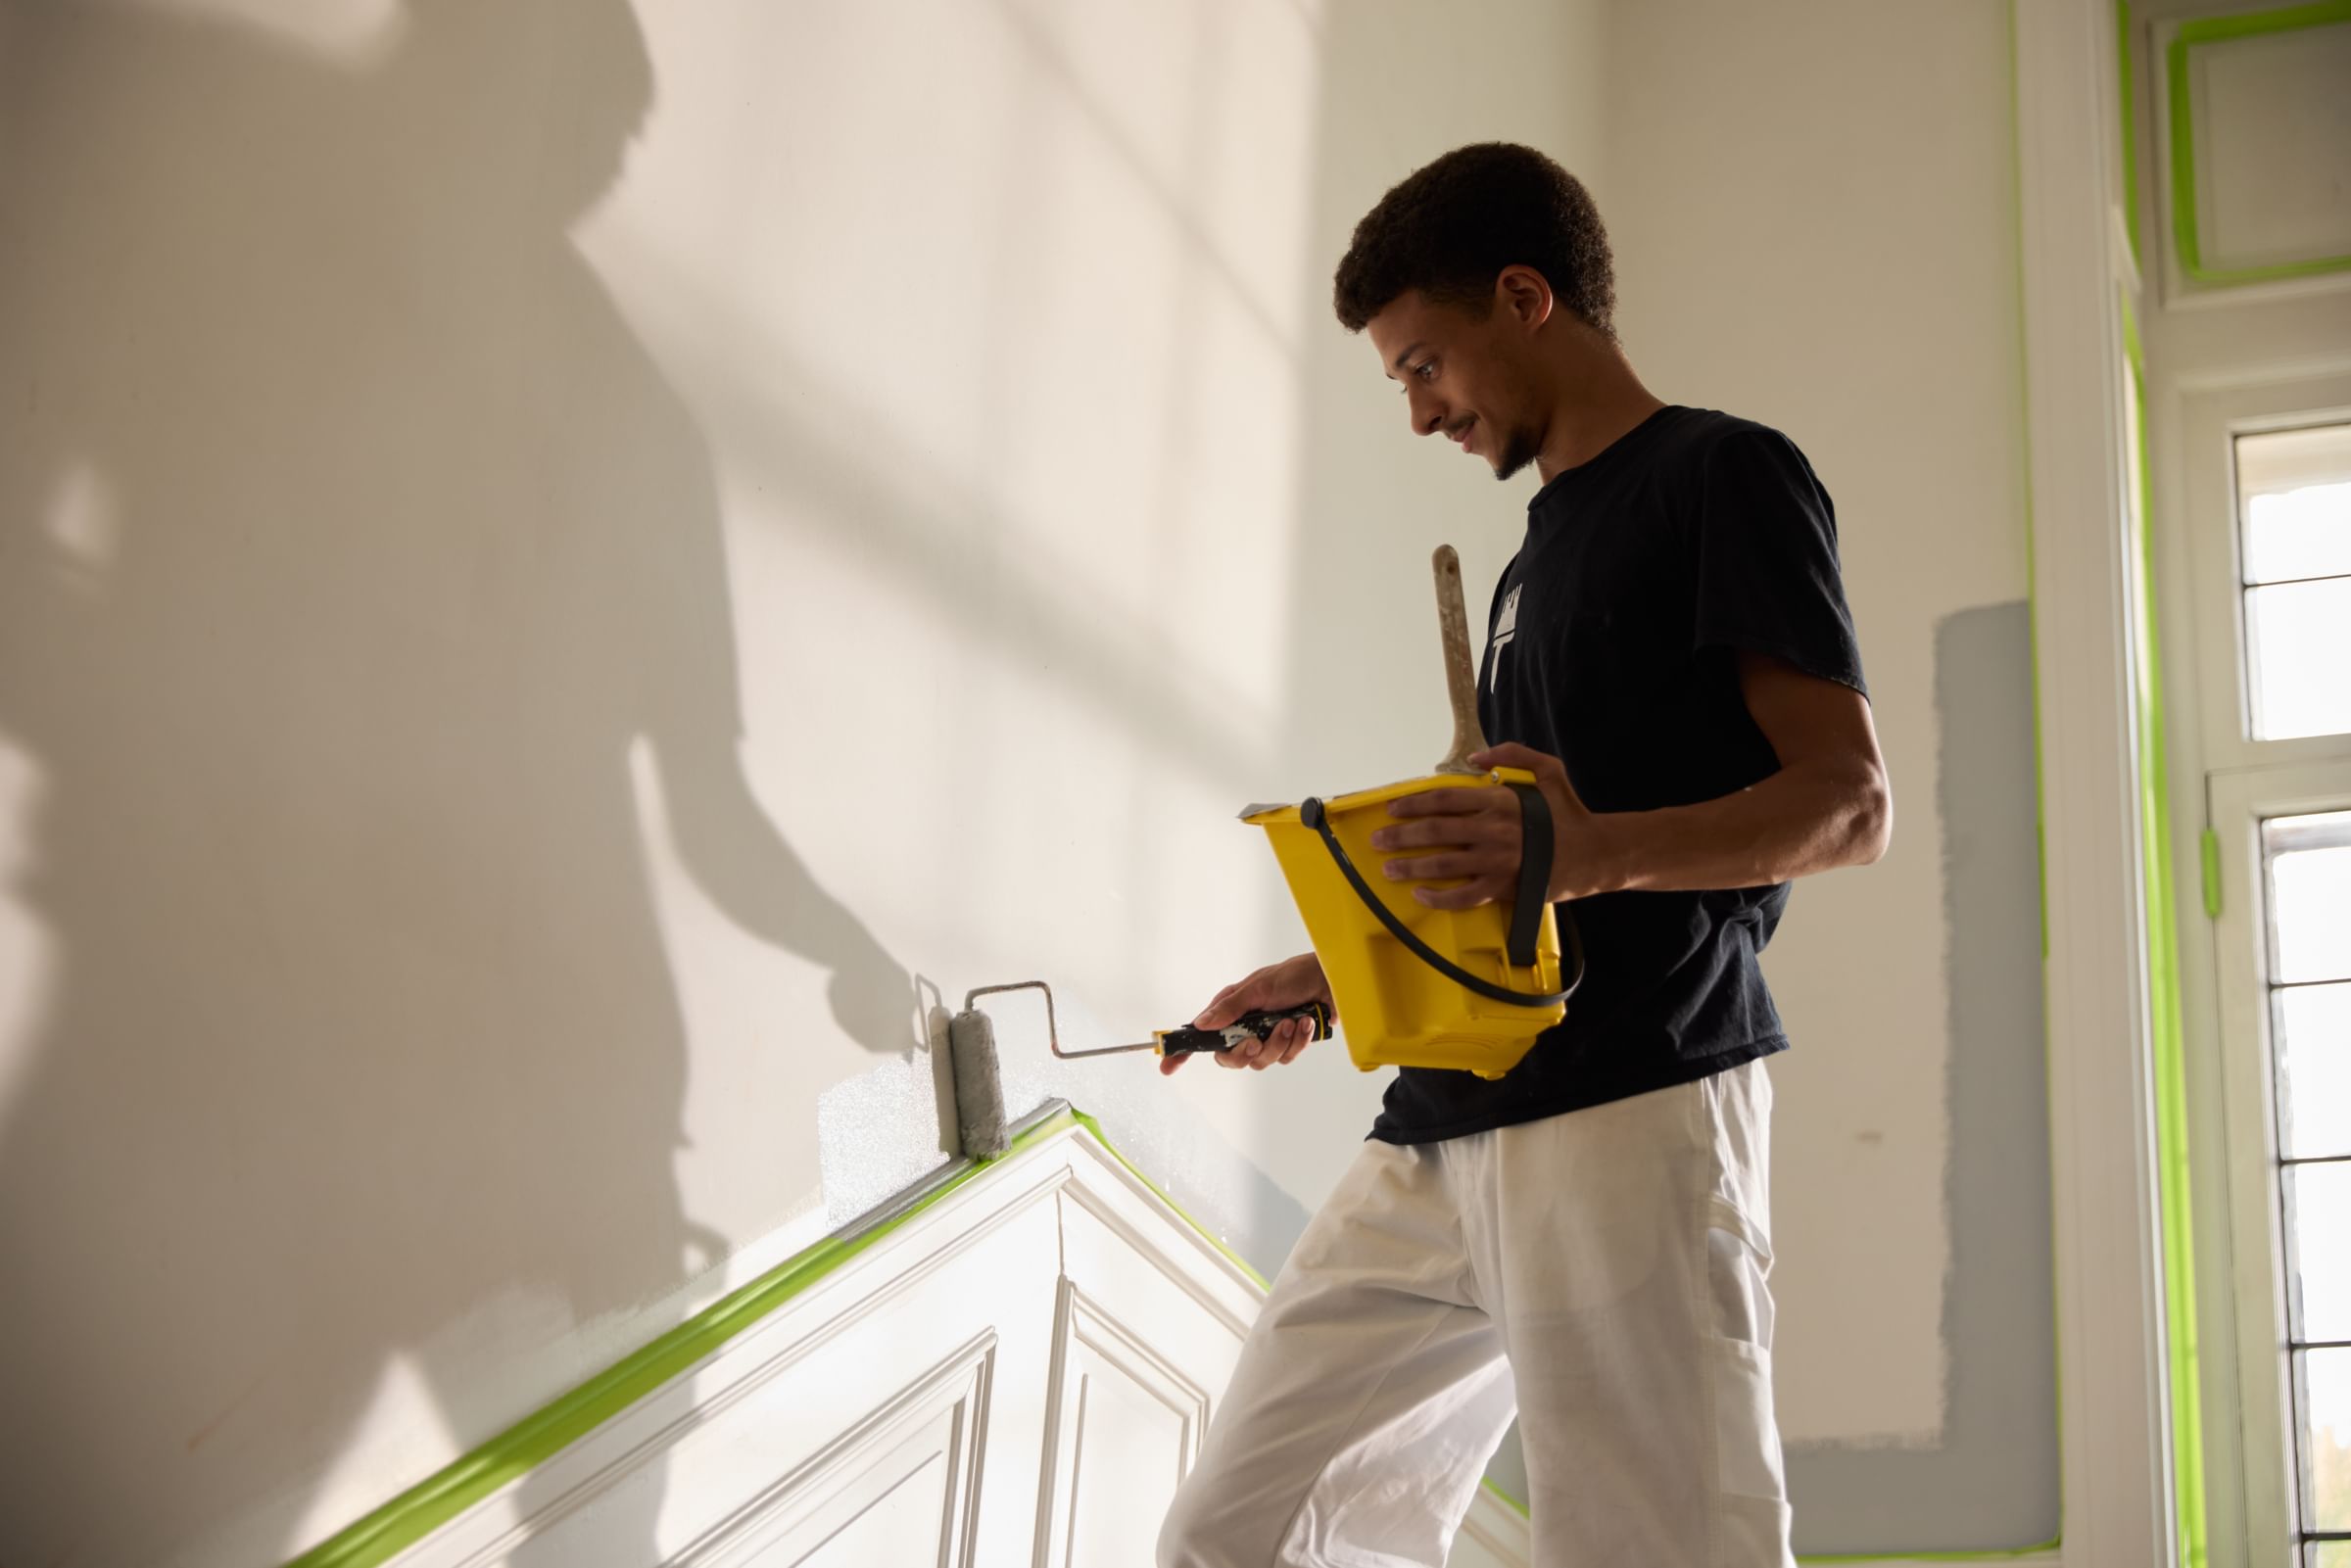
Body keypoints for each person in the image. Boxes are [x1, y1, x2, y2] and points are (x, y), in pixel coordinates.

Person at [1154, 142, 1891, 1568]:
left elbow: (1850, 804)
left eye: (1427, 364)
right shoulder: (1526, 563)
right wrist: (1326, 982)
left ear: (1523, 296)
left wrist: (1589, 849)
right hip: (1448, 1116)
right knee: (1234, 1531)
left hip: (1638, 1093)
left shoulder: (1723, 476)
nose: (1422, 411)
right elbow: (1511, 876)